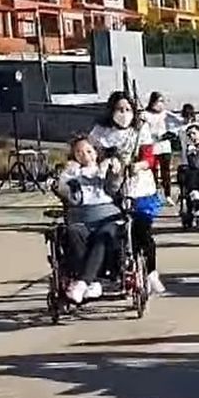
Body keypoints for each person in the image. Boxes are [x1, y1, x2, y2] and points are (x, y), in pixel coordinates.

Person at [52, 136, 124, 305]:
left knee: (104, 235)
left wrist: (114, 173)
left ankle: (84, 282)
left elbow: (114, 188)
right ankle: (92, 282)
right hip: (81, 216)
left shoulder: (105, 167)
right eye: (79, 152)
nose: (84, 155)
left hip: (107, 215)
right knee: (72, 232)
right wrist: (65, 177)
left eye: (89, 151)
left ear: (97, 152)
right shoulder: (72, 172)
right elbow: (70, 198)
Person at [121, 145, 167, 295]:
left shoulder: (141, 131)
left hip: (141, 192)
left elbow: (149, 157)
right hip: (115, 191)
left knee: (142, 232)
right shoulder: (102, 131)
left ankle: (151, 273)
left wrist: (141, 165)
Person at [140, 91, 175, 196]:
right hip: (151, 146)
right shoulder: (145, 114)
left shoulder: (165, 114)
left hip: (164, 146)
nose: (160, 104)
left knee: (166, 171)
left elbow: (178, 120)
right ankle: (154, 193)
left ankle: (167, 194)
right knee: (153, 171)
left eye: (162, 101)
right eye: (158, 101)